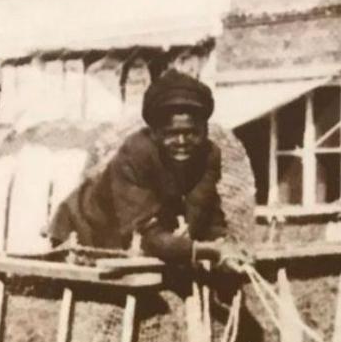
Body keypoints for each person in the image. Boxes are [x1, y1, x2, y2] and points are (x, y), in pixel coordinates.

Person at [49, 69, 236, 268]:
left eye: (191, 133)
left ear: (205, 130)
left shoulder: (208, 155)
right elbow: (147, 238)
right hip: (88, 228)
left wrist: (223, 246)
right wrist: (206, 250)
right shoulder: (135, 154)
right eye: (172, 133)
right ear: (155, 133)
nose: (182, 142)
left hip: (140, 231)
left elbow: (204, 211)